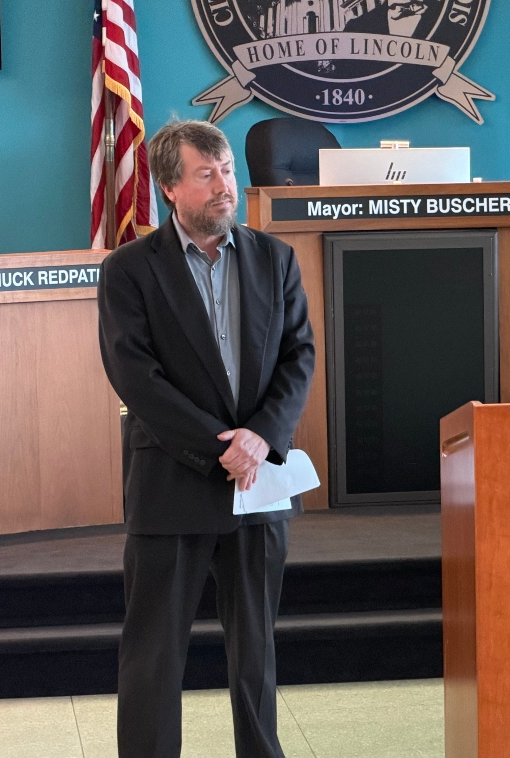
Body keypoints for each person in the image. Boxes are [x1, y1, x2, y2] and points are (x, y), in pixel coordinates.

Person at [98, 120, 315, 758]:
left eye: (227, 171)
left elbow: (298, 358)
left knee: (257, 653)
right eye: (206, 174)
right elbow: (136, 376)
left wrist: (261, 437)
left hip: (259, 486)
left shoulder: (276, 259)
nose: (225, 186)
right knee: (154, 656)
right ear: (170, 187)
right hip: (171, 481)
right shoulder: (130, 270)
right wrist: (222, 445)